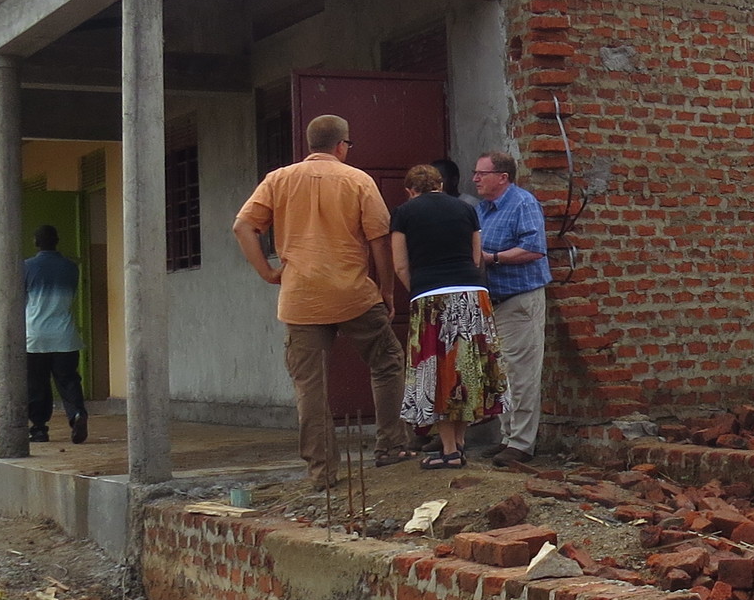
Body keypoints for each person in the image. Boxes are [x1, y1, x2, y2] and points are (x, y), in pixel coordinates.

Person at [232, 114, 414, 484]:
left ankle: (322, 471)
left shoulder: (278, 179)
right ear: (341, 145)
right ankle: (390, 445)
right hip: (353, 294)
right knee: (388, 361)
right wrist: (386, 291)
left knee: (310, 385)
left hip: (301, 299)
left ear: (310, 145)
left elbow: (243, 226)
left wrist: (267, 273)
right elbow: (379, 238)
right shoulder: (358, 180)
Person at [390, 163, 506, 469]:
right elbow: (475, 256)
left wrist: (418, 290)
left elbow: (400, 265)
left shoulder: (403, 213)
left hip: (431, 296)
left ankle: (449, 450)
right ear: (440, 185)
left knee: (437, 369)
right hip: (471, 292)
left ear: (410, 191)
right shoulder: (467, 210)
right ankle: (461, 443)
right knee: (466, 368)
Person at [471, 150, 549, 465]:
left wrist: (494, 258)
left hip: (519, 300)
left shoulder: (523, 204)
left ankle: (522, 444)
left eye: (482, 173)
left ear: (502, 177)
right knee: (500, 373)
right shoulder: (481, 210)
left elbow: (534, 248)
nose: (475, 178)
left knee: (522, 373)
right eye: (475, 173)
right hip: (494, 301)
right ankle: (507, 437)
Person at [24, 223, 86, 444]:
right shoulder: (71, 267)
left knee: (37, 384)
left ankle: (39, 428)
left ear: (36, 242)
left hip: (35, 336)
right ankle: (77, 414)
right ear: (57, 240)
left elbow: (19, 299)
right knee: (68, 380)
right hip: (65, 337)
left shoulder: (27, 267)